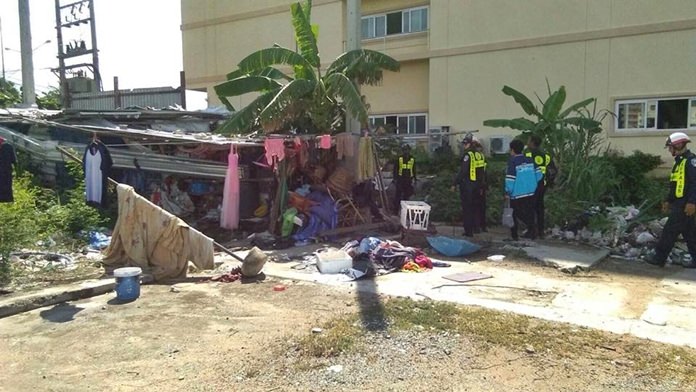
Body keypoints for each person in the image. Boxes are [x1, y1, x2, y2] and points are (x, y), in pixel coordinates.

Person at [648, 132, 696, 268]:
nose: (669, 150)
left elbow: (695, 183)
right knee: (690, 233)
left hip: (685, 204)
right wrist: (668, 200)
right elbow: (675, 184)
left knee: (669, 231)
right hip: (680, 203)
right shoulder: (679, 162)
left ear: (679, 145)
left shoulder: (691, 161)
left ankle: (659, 258)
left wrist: (692, 202)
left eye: (670, 147)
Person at [505, 139, 542, 241]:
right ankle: (533, 232)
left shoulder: (513, 162)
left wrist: (508, 191)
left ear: (512, 150)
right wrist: (532, 183)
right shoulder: (530, 160)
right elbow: (539, 174)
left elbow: (510, 178)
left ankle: (514, 236)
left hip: (517, 193)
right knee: (529, 212)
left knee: (514, 214)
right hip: (531, 192)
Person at [452, 134, 485, 237]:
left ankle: (468, 231)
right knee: (476, 208)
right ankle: (476, 228)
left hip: (468, 185)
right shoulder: (480, 155)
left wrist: (454, 183)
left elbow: (463, 171)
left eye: (465, 144)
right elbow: (482, 172)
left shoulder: (468, 156)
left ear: (470, 144)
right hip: (477, 186)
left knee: (467, 208)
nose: (464, 146)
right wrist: (482, 186)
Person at [525, 134, 558, 238]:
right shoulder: (546, 156)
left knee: (530, 208)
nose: (527, 142)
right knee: (540, 208)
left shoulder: (528, 155)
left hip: (531, 185)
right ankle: (541, 231)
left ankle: (531, 231)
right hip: (542, 185)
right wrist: (549, 182)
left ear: (532, 142)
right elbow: (553, 171)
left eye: (529, 140)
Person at [393, 144, 416, 212]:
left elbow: (414, 169)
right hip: (400, 180)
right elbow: (395, 169)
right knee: (398, 196)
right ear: (403, 151)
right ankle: (396, 210)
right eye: (405, 150)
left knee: (407, 196)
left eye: (407, 150)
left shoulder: (412, 159)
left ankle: (405, 211)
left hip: (409, 180)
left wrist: (415, 178)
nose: (406, 151)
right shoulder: (399, 159)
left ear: (409, 151)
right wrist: (395, 179)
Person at [472, 137, 488, 232]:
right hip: (482, 184)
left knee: (475, 207)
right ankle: (482, 226)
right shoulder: (482, 156)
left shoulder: (474, 156)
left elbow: (479, 173)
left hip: (476, 185)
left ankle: (477, 226)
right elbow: (484, 173)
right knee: (481, 207)